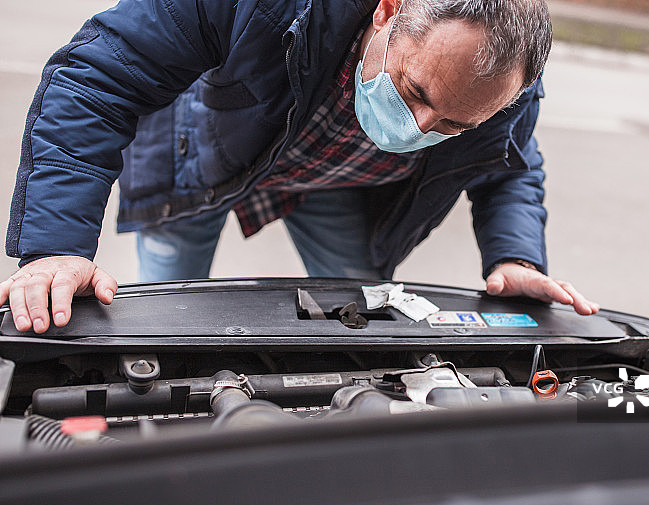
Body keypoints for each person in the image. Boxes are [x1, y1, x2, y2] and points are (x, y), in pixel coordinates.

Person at [2, 0, 598, 334]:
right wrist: (56, 247)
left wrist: (516, 257)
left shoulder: (499, 86)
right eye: (415, 91)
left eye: (451, 124)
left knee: (360, 319)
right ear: (389, 10)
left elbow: (509, 165)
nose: (418, 129)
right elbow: (98, 78)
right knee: (166, 308)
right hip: (209, 152)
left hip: (337, 179)